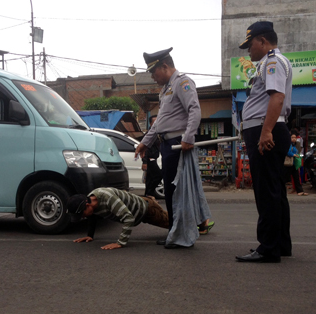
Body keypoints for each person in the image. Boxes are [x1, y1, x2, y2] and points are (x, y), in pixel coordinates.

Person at [134, 47, 212, 248]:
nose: (153, 77)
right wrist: (145, 142)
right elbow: (160, 122)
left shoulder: (182, 83)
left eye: (153, 72)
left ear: (165, 66)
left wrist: (188, 137)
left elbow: (194, 109)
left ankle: (181, 236)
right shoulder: (166, 89)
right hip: (167, 144)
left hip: (179, 145)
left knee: (178, 191)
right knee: (170, 190)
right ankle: (174, 233)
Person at [235, 21, 293, 263]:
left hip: (265, 129)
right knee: (275, 190)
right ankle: (280, 244)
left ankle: (268, 248)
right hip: (264, 128)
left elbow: (277, 97)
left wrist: (266, 131)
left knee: (266, 191)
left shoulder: (272, 62)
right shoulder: (269, 63)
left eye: (250, 45)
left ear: (262, 41)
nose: (249, 50)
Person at [67, 187, 170, 250]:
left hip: (147, 210)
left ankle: (184, 236)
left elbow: (129, 218)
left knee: (174, 224)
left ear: (88, 204)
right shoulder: (91, 201)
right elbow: (92, 216)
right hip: (136, 209)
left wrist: (120, 243)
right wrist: (90, 235)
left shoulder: (107, 198)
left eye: (82, 214)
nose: (83, 217)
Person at [141, 115, 163, 198]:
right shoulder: (149, 135)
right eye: (154, 122)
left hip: (154, 158)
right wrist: (145, 162)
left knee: (150, 179)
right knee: (158, 175)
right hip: (150, 159)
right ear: (150, 124)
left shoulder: (158, 134)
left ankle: (148, 196)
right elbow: (145, 149)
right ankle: (150, 193)